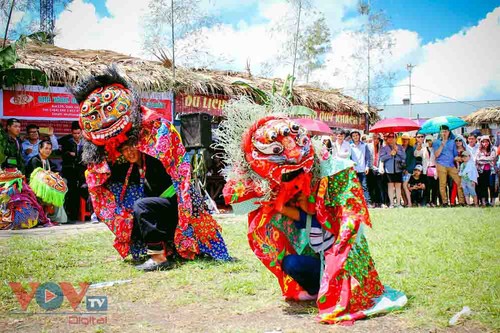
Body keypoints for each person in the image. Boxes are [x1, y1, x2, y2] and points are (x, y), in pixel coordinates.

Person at [26, 140, 68, 224]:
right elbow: (36, 177)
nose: (48, 150)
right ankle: (54, 218)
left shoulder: (48, 161)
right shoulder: (35, 160)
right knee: (55, 192)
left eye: (50, 149)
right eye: (46, 148)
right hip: (35, 188)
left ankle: (54, 217)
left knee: (63, 183)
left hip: (46, 186)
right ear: (40, 149)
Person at [432, 125, 465, 207]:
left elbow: (455, 155)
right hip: (441, 164)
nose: (444, 133)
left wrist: (459, 158)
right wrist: (442, 145)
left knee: (459, 182)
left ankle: (461, 201)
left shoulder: (452, 142)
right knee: (442, 184)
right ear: (440, 132)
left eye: (446, 131)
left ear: (449, 132)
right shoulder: (436, 142)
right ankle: (445, 202)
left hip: (451, 164)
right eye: (442, 131)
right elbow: (436, 155)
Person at [61, 123, 86, 221]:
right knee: (71, 192)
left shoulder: (85, 142)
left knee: (83, 190)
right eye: (74, 133)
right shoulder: (67, 141)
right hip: (70, 171)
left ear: (81, 132)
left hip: (81, 171)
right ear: (72, 133)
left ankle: (84, 214)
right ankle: (71, 215)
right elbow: (62, 154)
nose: (76, 135)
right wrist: (68, 153)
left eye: (78, 133)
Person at [379, 133, 406, 208]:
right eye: (389, 137)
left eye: (393, 137)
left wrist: (397, 151)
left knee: (398, 186)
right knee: (390, 186)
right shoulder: (384, 148)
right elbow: (382, 158)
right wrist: (390, 154)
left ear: (396, 138)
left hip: (398, 169)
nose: (391, 138)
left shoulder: (400, 147)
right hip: (389, 170)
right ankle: (391, 203)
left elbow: (404, 157)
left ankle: (398, 203)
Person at [350, 130, 372, 205]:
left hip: (363, 169)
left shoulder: (364, 145)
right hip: (354, 170)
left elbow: (368, 157)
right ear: (352, 137)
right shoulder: (350, 146)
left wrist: (367, 167)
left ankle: (368, 202)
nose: (355, 137)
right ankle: (356, 203)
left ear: (359, 136)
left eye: (357, 135)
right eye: (353, 136)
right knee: (354, 187)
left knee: (364, 186)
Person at [367, 133, 388, 208]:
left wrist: (380, 168)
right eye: (375, 138)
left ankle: (381, 202)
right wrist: (373, 167)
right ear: (372, 138)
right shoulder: (368, 146)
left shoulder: (381, 147)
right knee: (371, 186)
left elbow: (382, 159)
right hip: (371, 169)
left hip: (379, 169)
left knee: (379, 186)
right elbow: (368, 159)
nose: (376, 140)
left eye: (378, 138)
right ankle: (373, 202)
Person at [475, 136, 497, 207]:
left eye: (487, 141)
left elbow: (493, 158)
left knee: (492, 186)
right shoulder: (478, 150)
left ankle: (492, 202)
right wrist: (488, 160)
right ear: (481, 142)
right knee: (483, 186)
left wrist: (483, 159)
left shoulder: (493, 149)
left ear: (489, 141)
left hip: (491, 171)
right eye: (483, 141)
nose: (485, 143)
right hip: (481, 171)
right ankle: (484, 202)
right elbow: (477, 160)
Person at [419, 135, 439, 207]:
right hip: (426, 169)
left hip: (434, 169)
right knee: (427, 187)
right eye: (427, 140)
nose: (429, 142)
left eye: (430, 140)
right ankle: (427, 201)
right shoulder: (423, 148)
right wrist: (421, 145)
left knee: (434, 187)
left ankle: (433, 201)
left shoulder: (435, 148)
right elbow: (416, 154)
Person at [401, 133, 416, 207]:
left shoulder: (411, 148)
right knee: (401, 187)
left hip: (408, 170)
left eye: (406, 139)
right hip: (400, 170)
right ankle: (405, 202)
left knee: (404, 185)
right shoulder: (400, 148)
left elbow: (413, 160)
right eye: (403, 139)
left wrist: (408, 169)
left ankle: (409, 203)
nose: (404, 141)